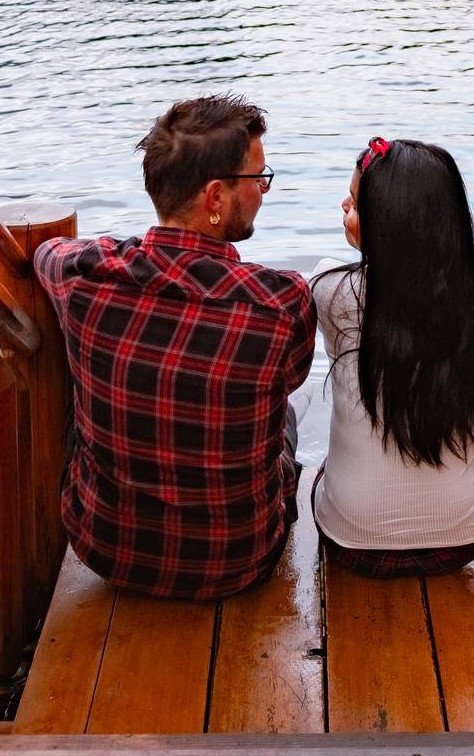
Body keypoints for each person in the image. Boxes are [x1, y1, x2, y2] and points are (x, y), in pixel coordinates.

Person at [34, 93, 316, 600]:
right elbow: (290, 375)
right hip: (238, 559)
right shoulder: (282, 302)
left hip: (105, 548)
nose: (264, 191)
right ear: (215, 197)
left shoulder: (82, 275)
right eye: (258, 178)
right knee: (285, 413)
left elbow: (44, 252)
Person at [309, 135, 474, 577]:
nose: (344, 210)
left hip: (350, 541)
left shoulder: (329, 288)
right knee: (473, 395)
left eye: (354, 205)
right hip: (472, 535)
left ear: (385, 223)